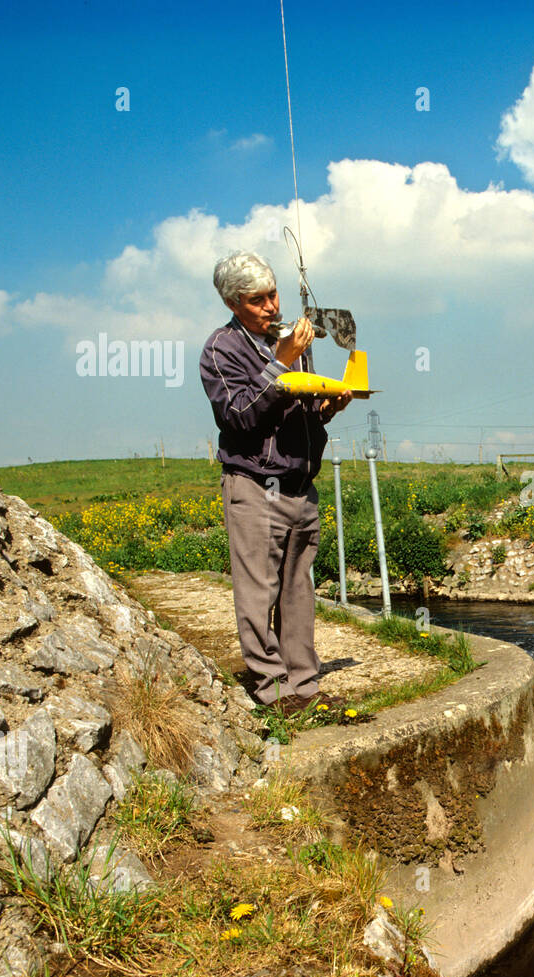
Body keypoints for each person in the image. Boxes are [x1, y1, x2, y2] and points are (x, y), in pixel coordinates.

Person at [199, 250, 353, 710]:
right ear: (233, 304)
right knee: (257, 594)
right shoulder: (221, 349)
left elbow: (300, 415)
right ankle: (271, 692)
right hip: (254, 485)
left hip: (299, 486)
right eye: (257, 300)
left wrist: (328, 408)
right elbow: (239, 416)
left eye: (274, 294)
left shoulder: (293, 342)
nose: (271, 306)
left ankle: (304, 688)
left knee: (298, 593)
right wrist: (281, 363)